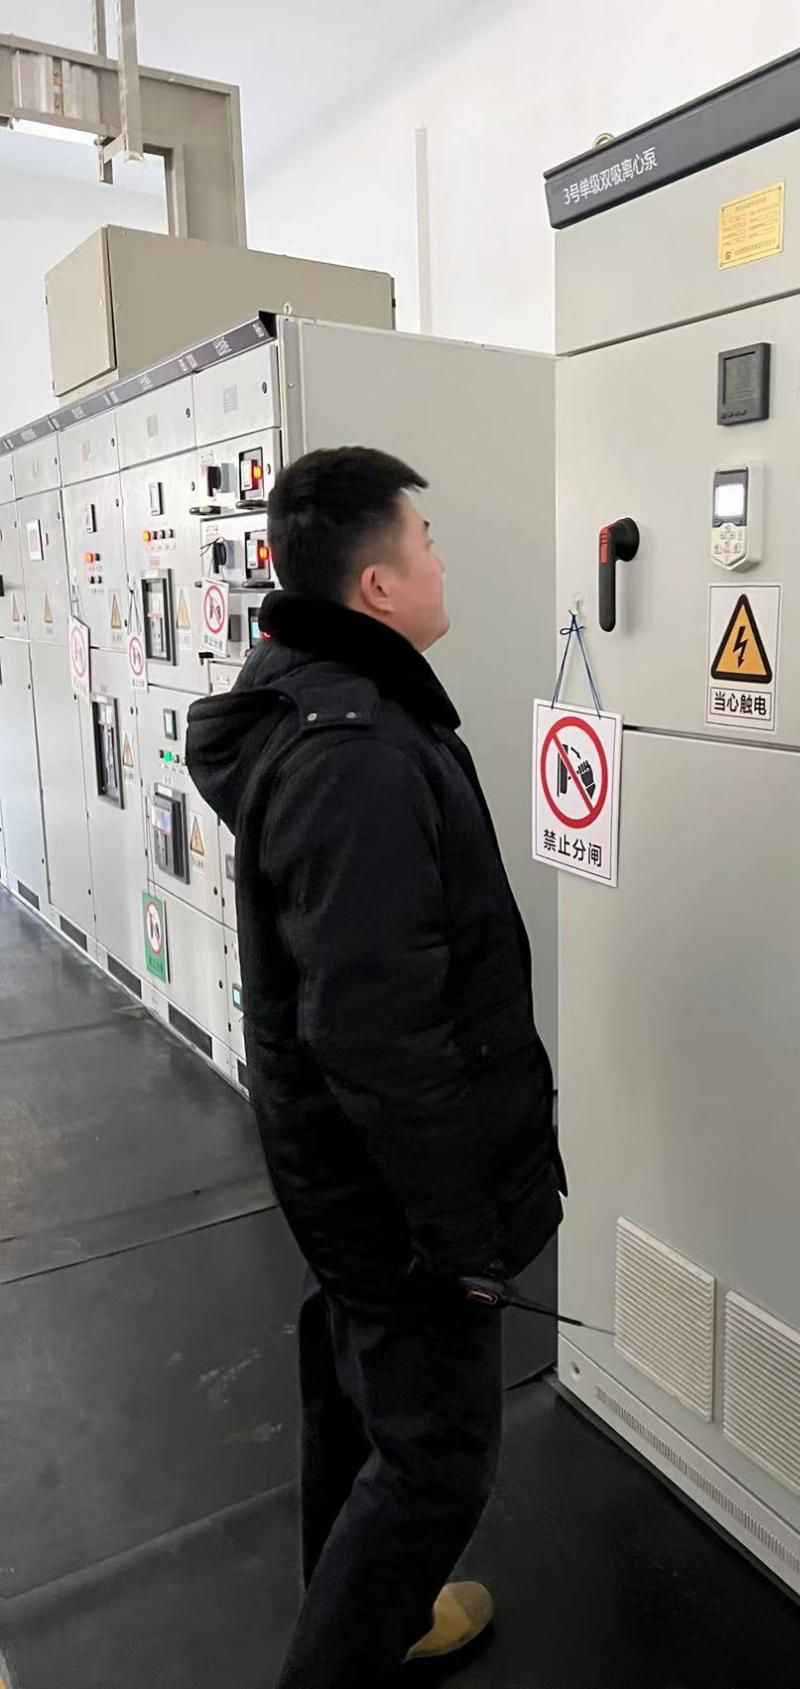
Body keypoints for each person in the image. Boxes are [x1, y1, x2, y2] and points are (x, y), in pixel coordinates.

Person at [187, 446, 564, 1688]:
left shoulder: (320, 696)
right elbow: (381, 1039)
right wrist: (460, 1240)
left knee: (358, 1400)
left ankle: (379, 1618)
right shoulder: (358, 756)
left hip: (345, 1178)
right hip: (393, 1199)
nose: (443, 560)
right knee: (437, 1461)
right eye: (427, 541)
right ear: (378, 584)